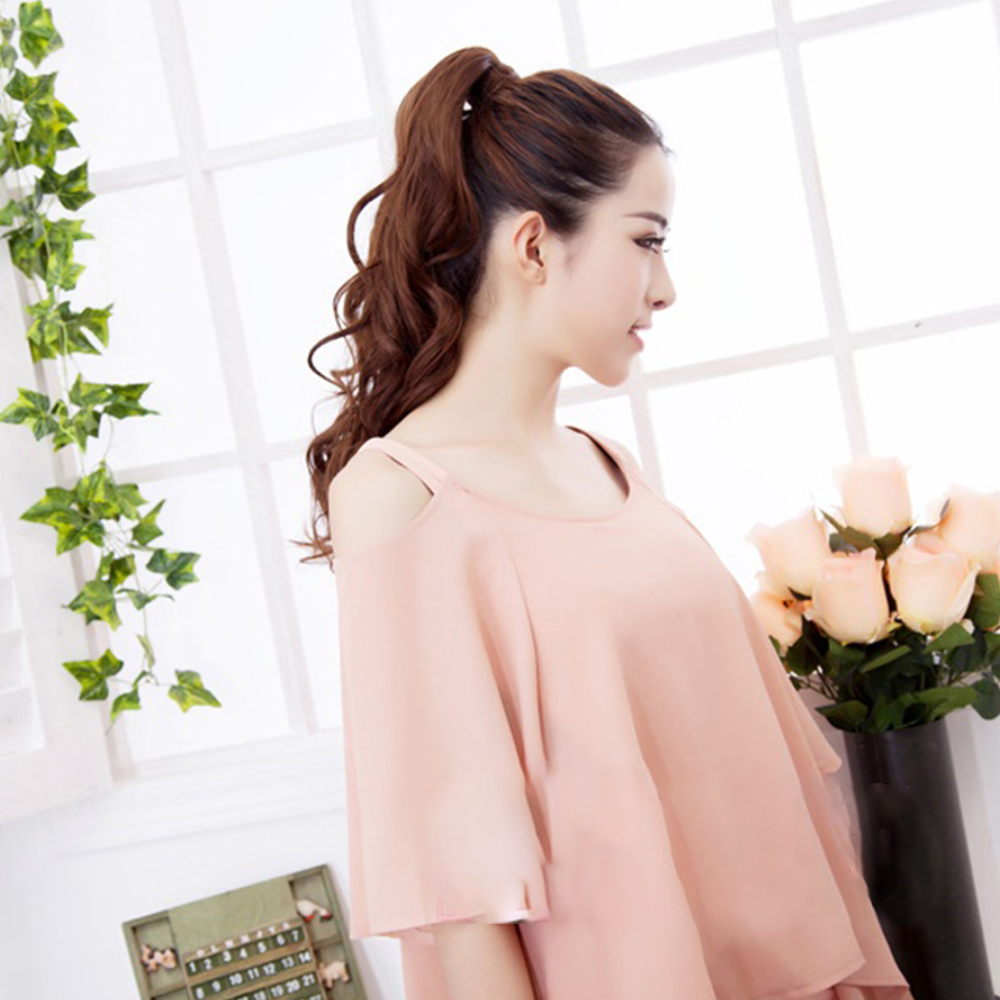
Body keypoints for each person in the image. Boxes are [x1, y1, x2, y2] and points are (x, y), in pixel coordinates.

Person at [301, 46, 915, 1000]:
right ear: (535, 247)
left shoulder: (607, 464)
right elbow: (457, 896)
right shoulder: (399, 495)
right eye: (646, 241)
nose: (665, 289)